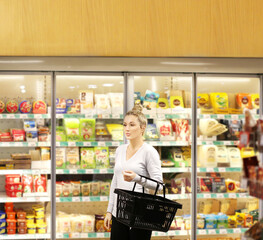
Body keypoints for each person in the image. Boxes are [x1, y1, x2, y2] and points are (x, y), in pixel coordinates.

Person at [104, 104, 163, 240]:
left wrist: (137, 178)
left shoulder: (149, 152)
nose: (127, 129)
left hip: (141, 214)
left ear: (142, 128)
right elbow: (115, 182)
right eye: (125, 125)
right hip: (119, 212)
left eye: (131, 125)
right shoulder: (120, 150)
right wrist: (109, 211)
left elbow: (159, 185)